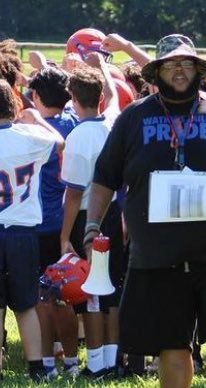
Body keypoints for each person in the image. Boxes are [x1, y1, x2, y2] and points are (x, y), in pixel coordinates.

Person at [84, 34, 206, 388]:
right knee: (171, 344)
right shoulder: (132, 118)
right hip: (158, 255)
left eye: (186, 63)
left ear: (197, 69)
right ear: (157, 71)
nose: (179, 70)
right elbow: (103, 178)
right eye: (171, 64)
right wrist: (92, 226)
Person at [60, 53, 123, 378]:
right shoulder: (114, 120)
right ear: (99, 97)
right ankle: (113, 361)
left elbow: (72, 194)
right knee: (111, 290)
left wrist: (63, 235)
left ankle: (97, 364)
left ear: (73, 98)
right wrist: (102, 67)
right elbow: (112, 96)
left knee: (94, 294)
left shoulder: (77, 136)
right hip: (117, 213)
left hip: (89, 218)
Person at [0, 79, 65, 382]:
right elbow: (59, 142)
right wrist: (36, 118)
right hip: (23, 231)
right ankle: (37, 366)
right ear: (13, 105)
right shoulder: (30, 136)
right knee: (26, 305)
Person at [28, 66, 80, 378]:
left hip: (40, 221)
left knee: (41, 299)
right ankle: (72, 361)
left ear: (35, 96)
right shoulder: (76, 122)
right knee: (67, 297)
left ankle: (47, 361)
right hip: (70, 218)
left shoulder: (32, 132)